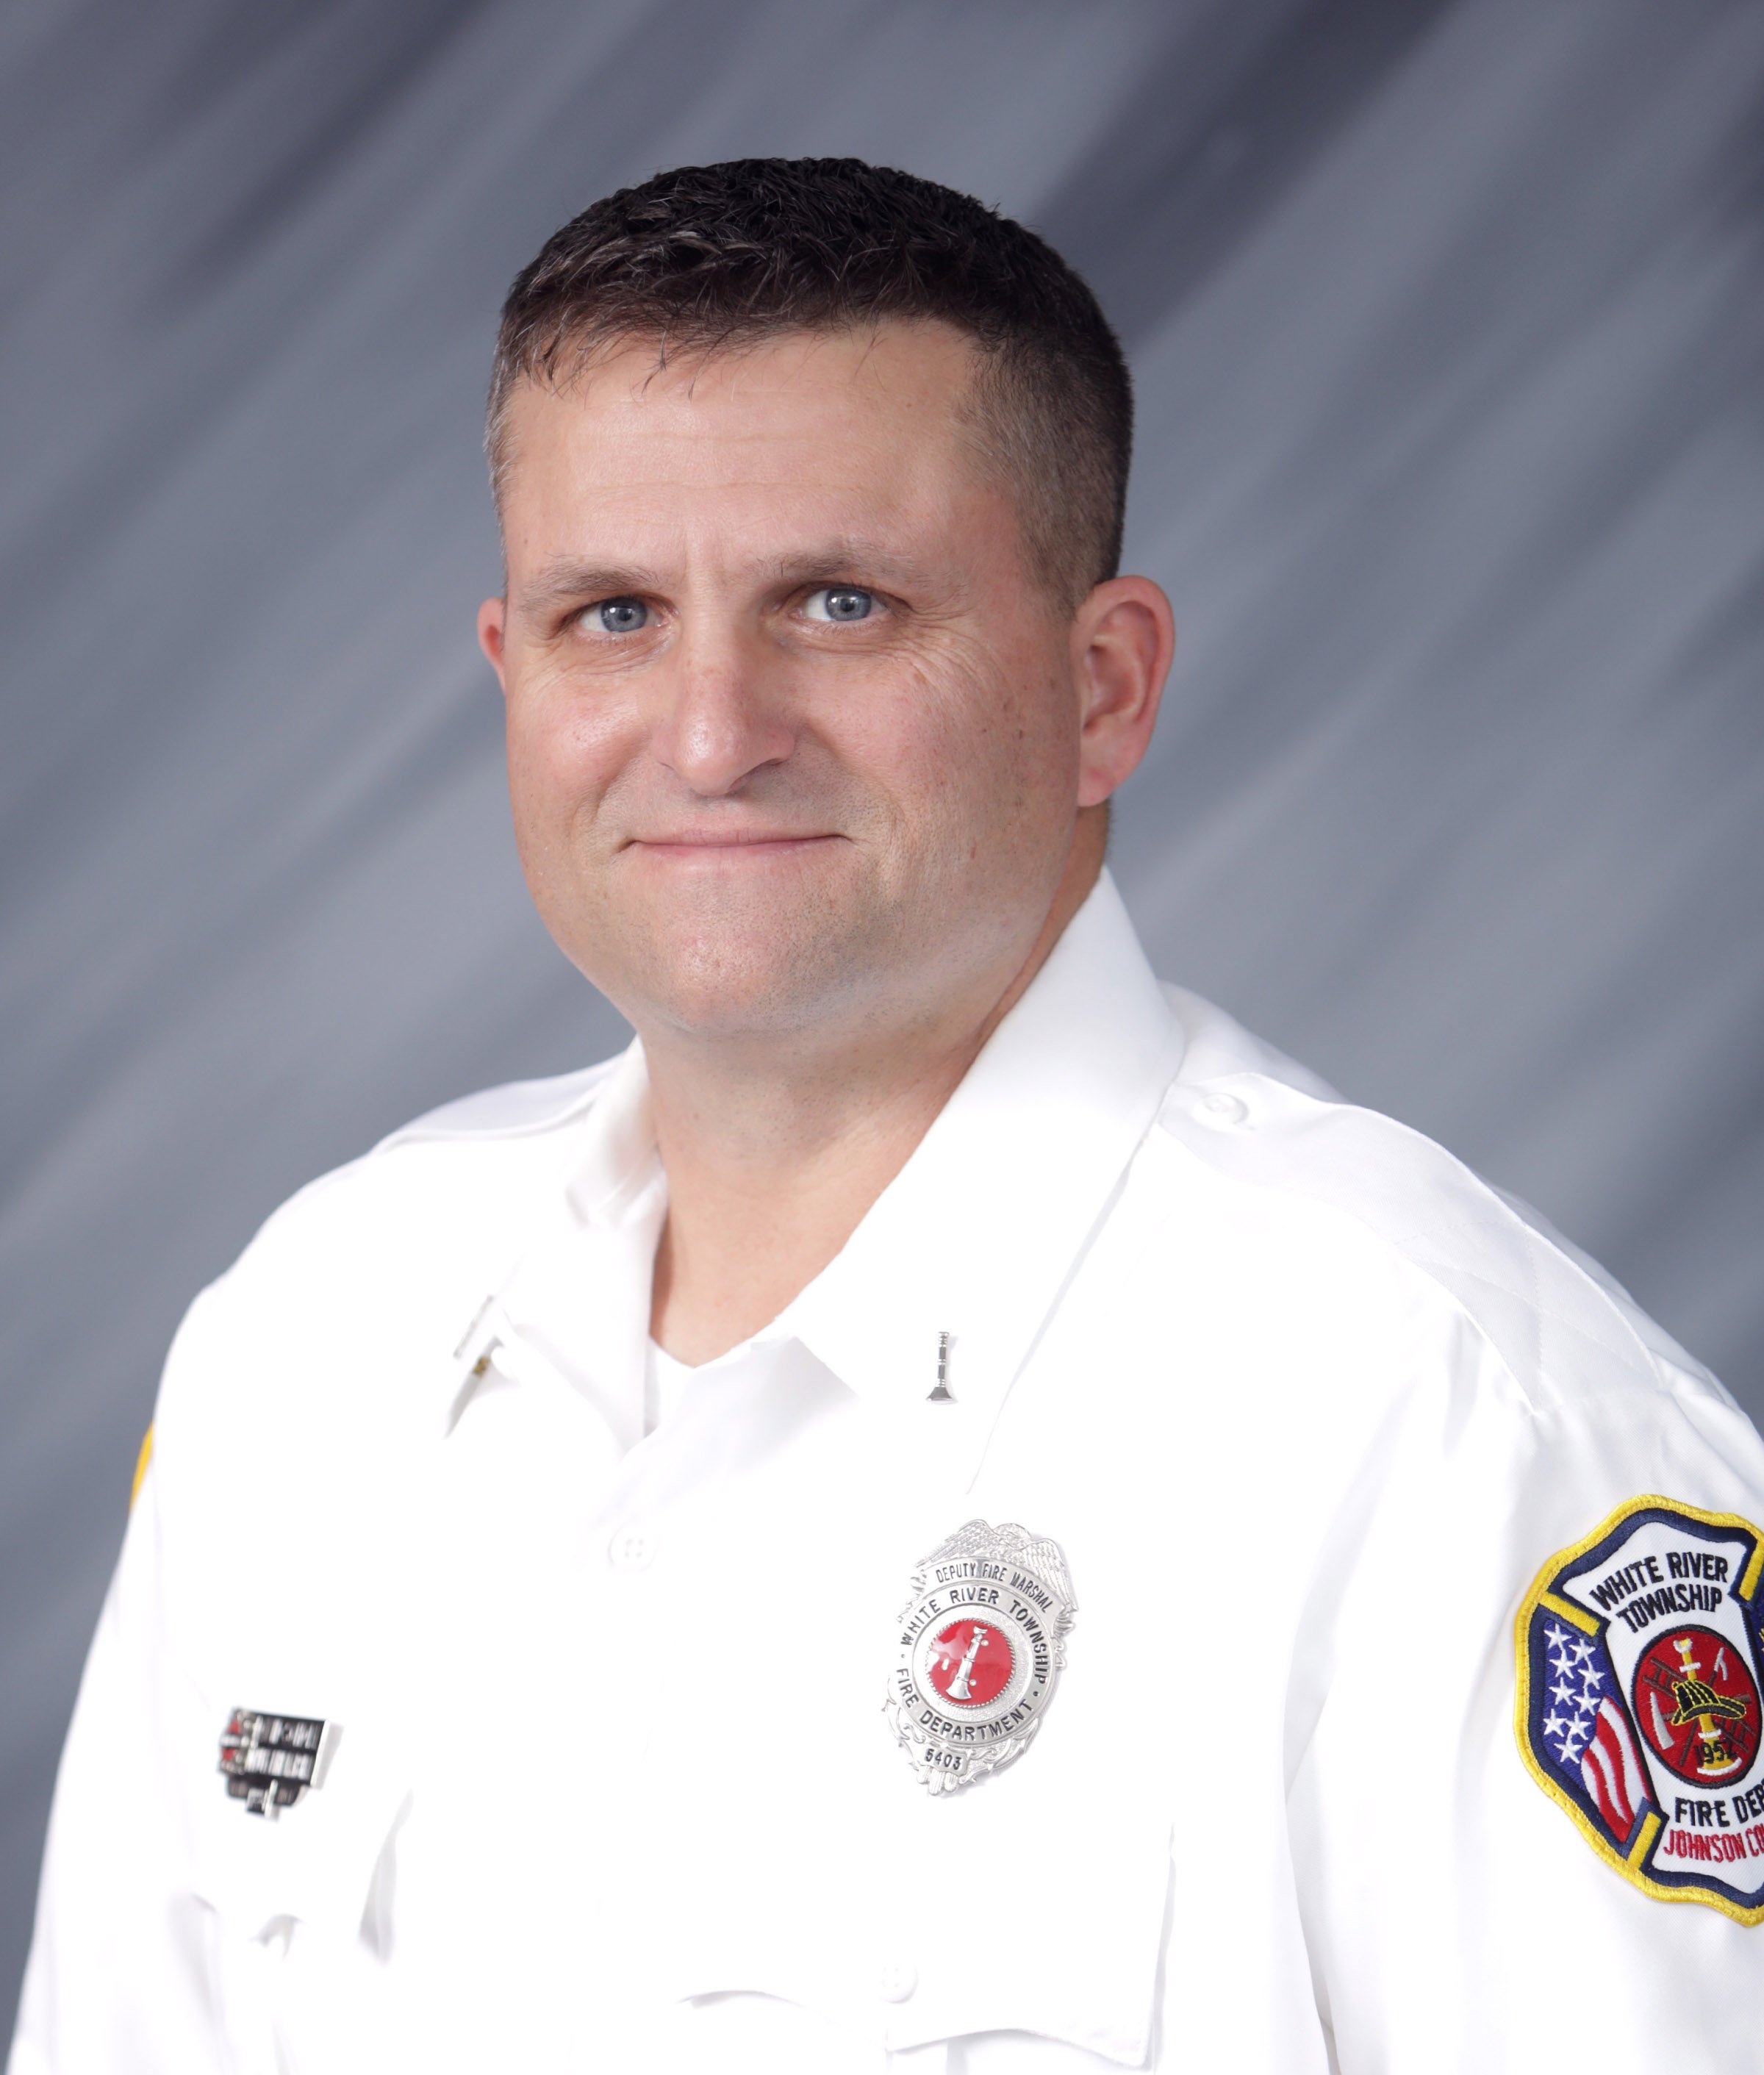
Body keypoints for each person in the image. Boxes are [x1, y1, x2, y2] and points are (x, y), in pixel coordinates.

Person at [10, 157, 1764, 2075]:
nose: (708, 731)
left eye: (840, 605)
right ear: (509, 676)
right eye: (611, 614)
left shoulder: (1449, 1433)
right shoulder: (310, 1345)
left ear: (1103, 689)